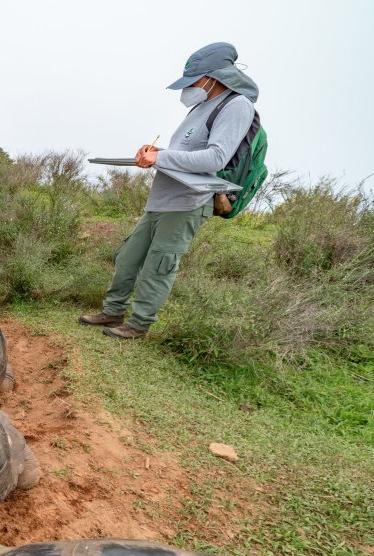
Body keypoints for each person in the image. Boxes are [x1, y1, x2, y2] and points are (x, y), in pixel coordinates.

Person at [80, 42, 258, 339]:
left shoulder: (237, 105)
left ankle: (138, 325)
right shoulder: (201, 106)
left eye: (194, 81)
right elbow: (185, 153)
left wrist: (160, 158)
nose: (188, 88)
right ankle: (113, 310)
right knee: (127, 257)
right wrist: (156, 153)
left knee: (159, 265)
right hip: (162, 198)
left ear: (214, 77)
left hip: (188, 202)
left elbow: (216, 158)